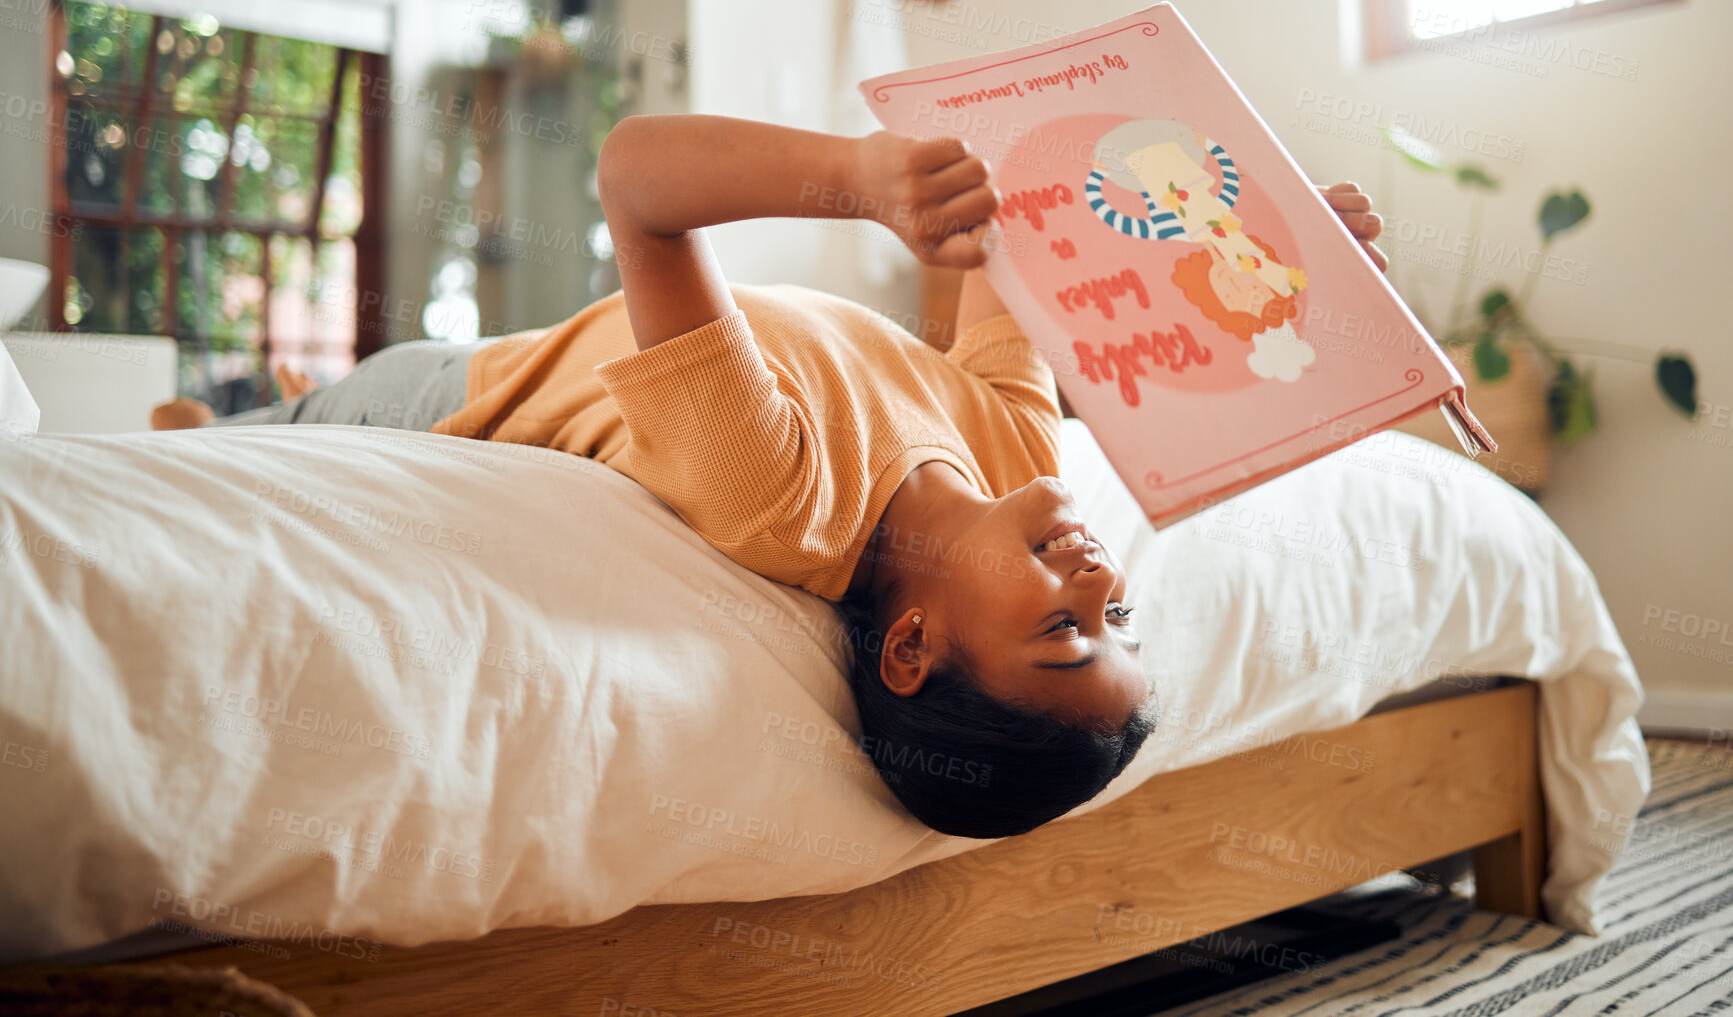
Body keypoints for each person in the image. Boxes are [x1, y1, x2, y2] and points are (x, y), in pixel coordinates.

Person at [153, 115, 1387, 838]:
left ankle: (195, 419)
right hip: (531, 345)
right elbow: (1032, 248)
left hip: (449, 391)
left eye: (1064, 629)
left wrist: (853, 180)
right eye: (1115, 613)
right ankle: (195, 407)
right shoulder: (1020, 452)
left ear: (907, 647)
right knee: (215, 413)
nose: (1099, 575)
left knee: (224, 444)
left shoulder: (778, 493)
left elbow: (636, 178)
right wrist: (1260, 246)